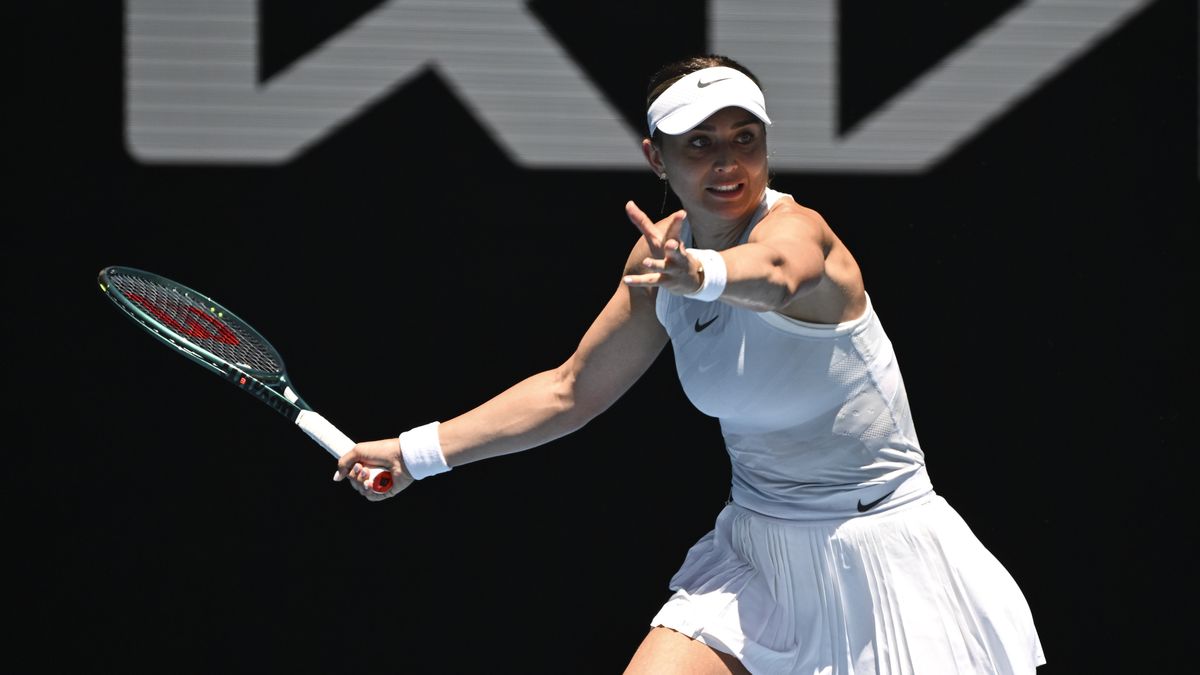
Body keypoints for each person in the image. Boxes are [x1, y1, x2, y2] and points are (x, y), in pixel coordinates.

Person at [335, 54, 1046, 674]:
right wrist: (413, 453)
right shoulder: (655, 261)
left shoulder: (801, 233)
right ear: (656, 157)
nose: (727, 162)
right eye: (699, 143)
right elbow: (570, 390)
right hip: (757, 556)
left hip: (885, 558)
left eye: (745, 138)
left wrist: (701, 271)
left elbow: (774, 271)